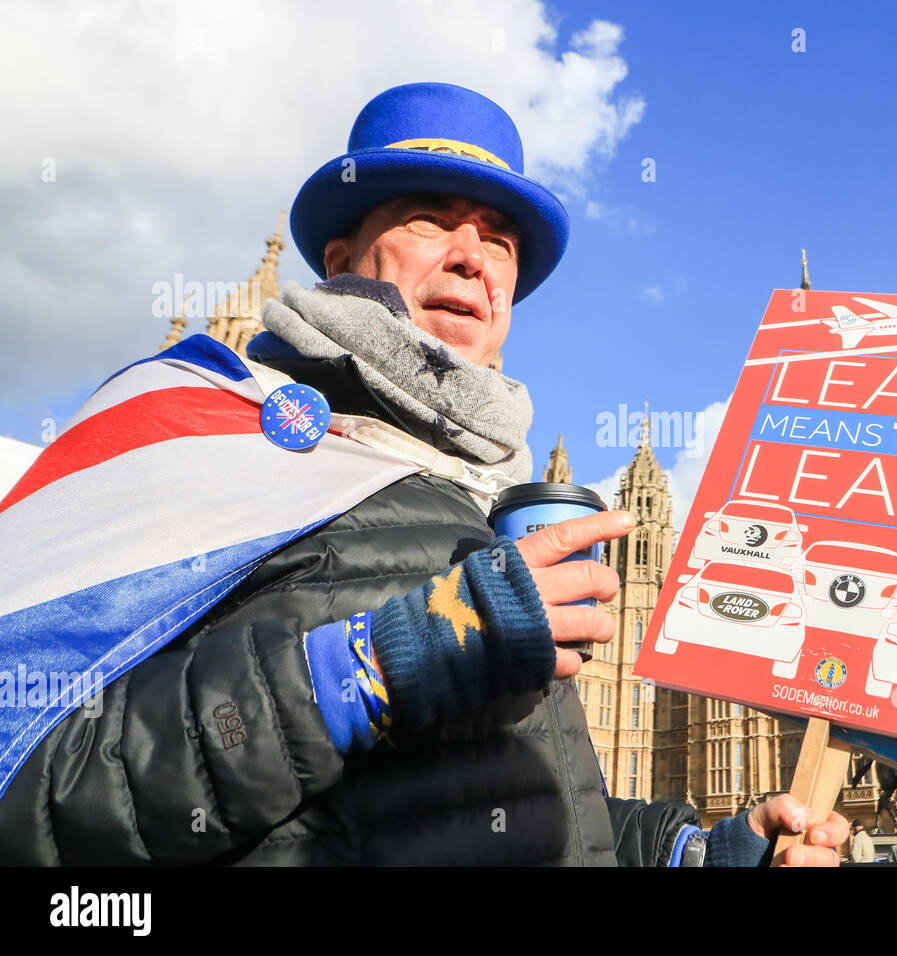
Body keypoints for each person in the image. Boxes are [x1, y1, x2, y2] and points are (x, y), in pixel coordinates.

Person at [0, 82, 848, 866]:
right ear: (342, 256)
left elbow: (506, 807)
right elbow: (37, 787)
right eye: (430, 219)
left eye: (500, 239)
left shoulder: (487, 504)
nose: (472, 256)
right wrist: (366, 670)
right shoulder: (190, 428)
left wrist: (688, 851)